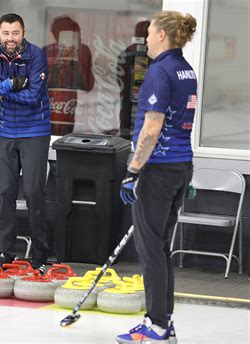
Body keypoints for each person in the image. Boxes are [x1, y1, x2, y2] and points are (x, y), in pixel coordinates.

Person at [117, 11, 197, 343]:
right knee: (160, 248)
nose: (146, 39)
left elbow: (152, 126)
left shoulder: (160, 71)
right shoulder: (186, 70)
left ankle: (158, 327)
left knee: (150, 251)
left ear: (162, 35)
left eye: (149, 34)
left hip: (158, 169)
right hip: (180, 166)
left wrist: (133, 171)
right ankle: (162, 321)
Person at [0, 13, 51, 273]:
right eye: (6, 33)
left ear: (23, 33)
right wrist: (10, 83)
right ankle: (5, 252)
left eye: (15, 33)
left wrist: (0, 90)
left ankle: (40, 254)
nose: (10, 38)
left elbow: (32, 96)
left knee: (32, 192)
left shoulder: (36, 55)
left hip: (34, 131)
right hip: (5, 132)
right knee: (3, 191)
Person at [43, 16, 95, 135]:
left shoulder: (83, 51)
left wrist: (75, 60)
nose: (78, 38)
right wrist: (59, 60)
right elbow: (41, 84)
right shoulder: (47, 51)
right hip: (51, 112)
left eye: (77, 34)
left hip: (74, 113)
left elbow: (88, 87)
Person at [116, 20, 151, 139]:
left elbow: (119, 79)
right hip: (141, 102)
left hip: (127, 102)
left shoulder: (126, 52)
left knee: (126, 131)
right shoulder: (149, 54)